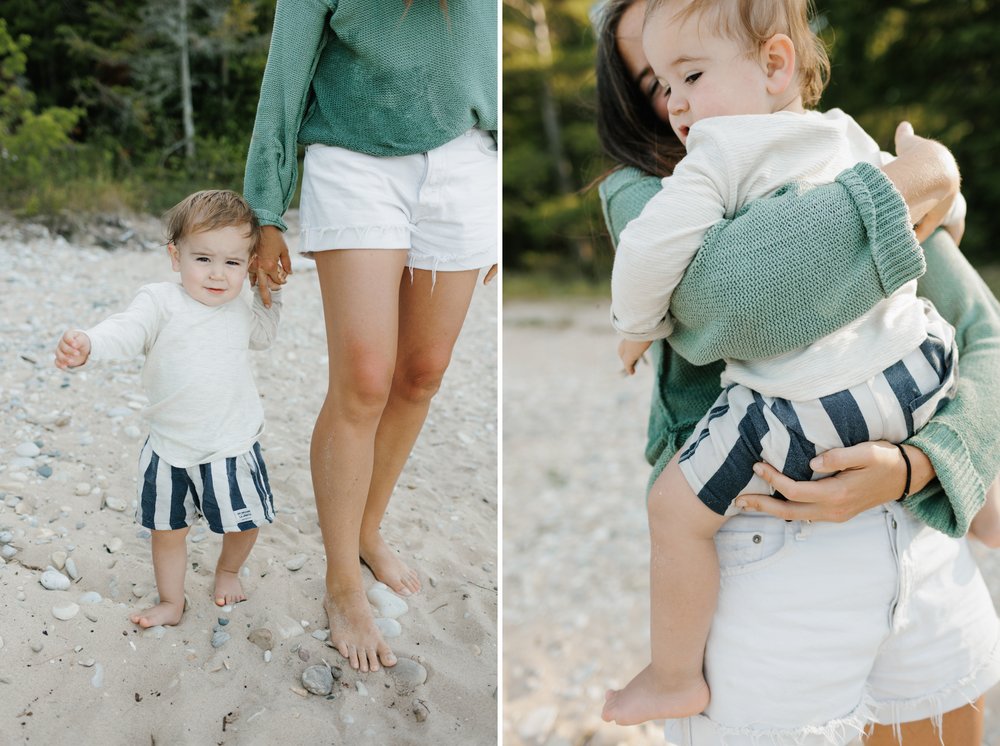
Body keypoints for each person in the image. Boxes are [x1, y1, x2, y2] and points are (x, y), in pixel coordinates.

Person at [594, 0, 1000, 742]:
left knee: (672, 510)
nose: (679, 101)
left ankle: (671, 675)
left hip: (896, 500)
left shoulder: (791, 145)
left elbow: (984, 327)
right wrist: (924, 179)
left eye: (691, 70)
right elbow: (741, 301)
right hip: (782, 530)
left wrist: (921, 468)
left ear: (774, 62)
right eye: (658, 82)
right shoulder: (653, 184)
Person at [243, 1, 497, 673]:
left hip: (467, 164)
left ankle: (366, 528)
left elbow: (491, 51)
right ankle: (341, 579)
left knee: (423, 373)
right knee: (363, 378)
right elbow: (284, 79)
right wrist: (266, 208)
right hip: (354, 161)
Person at [54, 190, 280, 628]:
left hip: (230, 445)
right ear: (176, 257)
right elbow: (127, 328)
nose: (217, 274)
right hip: (168, 448)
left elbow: (265, 335)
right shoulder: (160, 302)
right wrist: (91, 343)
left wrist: (270, 293)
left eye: (232, 263)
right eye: (203, 259)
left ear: (248, 264)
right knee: (167, 532)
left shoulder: (238, 307)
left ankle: (228, 569)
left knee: (244, 521)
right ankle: (171, 601)